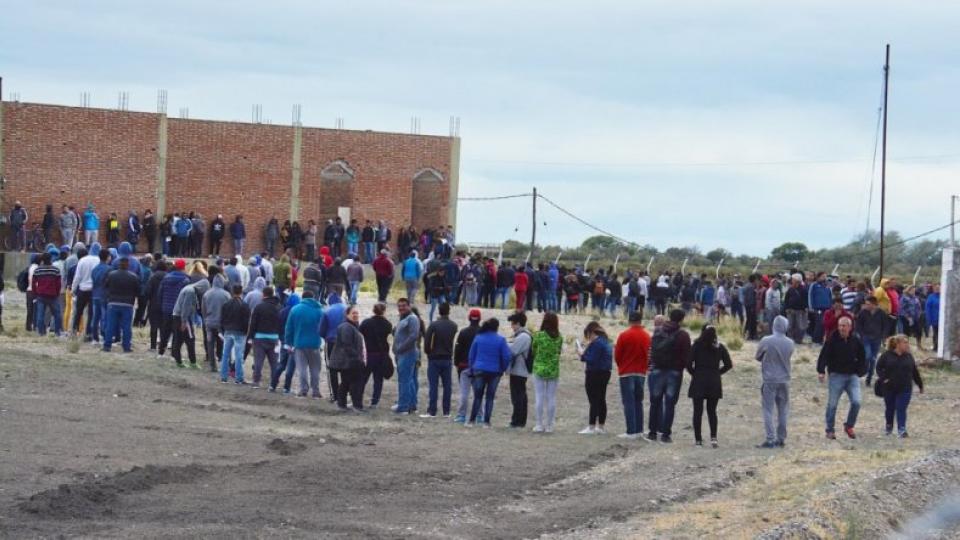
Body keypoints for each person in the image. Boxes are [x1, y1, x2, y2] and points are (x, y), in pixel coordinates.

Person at [817, 317, 867, 440]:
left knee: (856, 402)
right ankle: (830, 430)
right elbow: (823, 356)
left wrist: (861, 371)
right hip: (836, 376)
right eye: (840, 325)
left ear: (850, 327)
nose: (842, 328)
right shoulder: (831, 340)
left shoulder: (856, 340)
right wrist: (821, 371)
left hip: (852, 376)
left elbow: (863, 357)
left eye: (844, 326)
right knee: (832, 404)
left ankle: (849, 425)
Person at [647, 309, 691, 443]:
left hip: (657, 369)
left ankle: (652, 432)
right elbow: (687, 355)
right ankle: (665, 434)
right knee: (670, 404)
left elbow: (652, 349)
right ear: (682, 319)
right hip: (674, 372)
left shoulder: (658, 331)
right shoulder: (683, 335)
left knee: (655, 402)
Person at [686, 325, 733, 447]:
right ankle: (713, 438)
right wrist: (718, 372)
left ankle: (698, 440)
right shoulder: (720, 347)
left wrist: (694, 374)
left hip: (699, 379)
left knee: (698, 411)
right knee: (712, 411)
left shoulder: (696, 345)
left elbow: (688, 363)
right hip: (714, 380)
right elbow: (728, 364)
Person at [753, 315, 794, 448]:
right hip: (784, 379)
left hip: (770, 379)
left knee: (768, 409)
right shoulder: (790, 342)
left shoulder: (766, 340)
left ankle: (770, 438)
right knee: (783, 410)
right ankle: (781, 438)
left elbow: (758, 356)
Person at [876, 334, 924, 438]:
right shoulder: (887, 355)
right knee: (890, 408)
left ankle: (902, 429)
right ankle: (889, 426)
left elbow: (914, 372)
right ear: (897, 344)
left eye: (907, 343)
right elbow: (878, 367)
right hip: (889, 387)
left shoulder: (909, 356)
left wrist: (920, 385)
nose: (907, 345)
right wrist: (884, 378)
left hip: (905, 387)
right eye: (905, 342)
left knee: (901, 408)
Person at [466, 317, 512, 427]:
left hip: (479, 369)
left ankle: (472, 420)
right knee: (490, 397)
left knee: (478, 396)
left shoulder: (478, 338)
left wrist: (472, 368)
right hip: (495, 371)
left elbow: (471, 355)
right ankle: (486, 422)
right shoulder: (501, 340)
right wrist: (503, 368)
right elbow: (506, 356)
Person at [613, 311, 651, 439]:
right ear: (641, 321)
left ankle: (631, 431)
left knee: (628, 402)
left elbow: (617, 355)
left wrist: (622, 366)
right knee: (638, 401)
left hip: (627, 372)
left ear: (630, 320)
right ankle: (639, 429)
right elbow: (649, 355)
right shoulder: (647, 336)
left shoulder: (624, 335)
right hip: (641, 372)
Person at [284, 290, 324, 398]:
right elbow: (323, 328)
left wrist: (288, 343)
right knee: (315, 369)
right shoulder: (320, 310)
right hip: (315, 343)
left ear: (302, 298)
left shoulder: (295, 309)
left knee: (302, 368)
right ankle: (316, 391)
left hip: (299, 344)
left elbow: (289, 329)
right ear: (313, 298)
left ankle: (303, 390)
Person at [421, 302, 458, 418]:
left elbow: (427, 342)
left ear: (439, 310)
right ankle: (446, 411)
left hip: (434, 357)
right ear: (449, 311)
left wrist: (429, 352)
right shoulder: (453, 325)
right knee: (447, 386)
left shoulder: (434, 325)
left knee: (433, 385)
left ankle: (432, 410)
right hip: (447, 357)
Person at [328, 305, 367, 412]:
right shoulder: (346, 327)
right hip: (348, 361)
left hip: (349, 360)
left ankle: (342, 404)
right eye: (353, 313)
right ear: (347, 314)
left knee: (346, 382)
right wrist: (357, 358)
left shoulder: (352, 326)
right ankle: (356, 406)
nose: (356, 315)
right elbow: (347, 345)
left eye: (357, 313)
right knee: (355, 383)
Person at [528, 311, 563, 433]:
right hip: (553, 369)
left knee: (539, 397)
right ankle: (550, 425)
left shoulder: (539, 335)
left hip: (539, 368)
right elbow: (558, 352)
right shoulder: (559, 337)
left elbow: (533, 350)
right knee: (551, 397)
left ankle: (539, 424)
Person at [578, 321, 613, 434]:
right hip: (605, 373)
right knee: (601, 399)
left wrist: (582, 353)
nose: (588, 338)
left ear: (591, 332)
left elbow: (591, 359)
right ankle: (601, 426)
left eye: (588, 335)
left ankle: (591, 426)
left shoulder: (597, 343)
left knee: (593, 399)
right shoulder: (605, 341)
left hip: (595, 373)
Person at [246, 286, 282, 388]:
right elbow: (281, 323)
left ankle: (256, 381)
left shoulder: (259, 307)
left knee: (258, 361)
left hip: (259, 337)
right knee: (274, 362)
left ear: (264, 295)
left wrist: (250, 337)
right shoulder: (279, 307)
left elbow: (253, 323)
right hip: (274, 337)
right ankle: (274, 383)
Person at [101, 257, 139, 352]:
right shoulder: (133, 277)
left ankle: (107, 345)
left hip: (113, 302)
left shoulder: (111, 275)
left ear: (119, 264)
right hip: (128, 304)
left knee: (110, 325)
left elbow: (105, 286)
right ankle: (126, 347)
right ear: (128, 265)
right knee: (126, 327)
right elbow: (138, 291)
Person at [360, 302, 393, 408]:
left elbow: (360, 334)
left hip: (368, 354)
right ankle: (374, 402)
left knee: (363, 378)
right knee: (378, 380)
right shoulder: (387, 324)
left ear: (373, 310)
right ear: (384, 311)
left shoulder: (366, 323)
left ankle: (358, 398)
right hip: (381, 355)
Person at [453, 308, 482, 423]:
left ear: (469, 318)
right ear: (480, 319)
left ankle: (461, 415)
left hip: (464, 365)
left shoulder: (463, 332)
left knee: (464, 392)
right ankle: (479, 416)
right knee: (478, 393)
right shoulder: (482, 333)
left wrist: (456, 363)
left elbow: (458, 349)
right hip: (479, 366)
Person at [392, 298, 421, 414]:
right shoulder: (403, 318)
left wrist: (400, 348)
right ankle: (411, 405)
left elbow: (414, 336)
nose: (401, 308)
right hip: (403, 354)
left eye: (404, 305)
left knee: (404, 380)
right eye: (399, 306)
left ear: (409, 306)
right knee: (410, 380)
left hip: (408, 353)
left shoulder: (412, 318)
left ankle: (403, 407)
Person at [505, 311, 533, 428]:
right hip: (520, 370)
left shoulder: (523, 336)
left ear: (518, 323)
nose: (512, 326)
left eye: (513, 323)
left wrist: (505, 344)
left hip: (519, 370)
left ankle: (517, 420)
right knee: (520, 395)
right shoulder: (524, 335)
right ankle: (520, 420)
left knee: (517, 396)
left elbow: (513, 351)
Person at [220, 284, 251, 383]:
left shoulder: (226, 304)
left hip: (228, 330)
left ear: (232, 291)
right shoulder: (244, 305)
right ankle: (239, 378)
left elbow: (222, 319)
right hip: (240, 332)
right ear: (241, 292)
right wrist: (246, 332)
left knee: (225, 354)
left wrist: (224, 329)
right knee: (239, 356)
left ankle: (224, 377)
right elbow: (247, 321)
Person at [319, 293, 347, 401]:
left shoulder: (327, 311)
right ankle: (343, 394)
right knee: (345, 368)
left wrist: (326, 336)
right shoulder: (348, 309)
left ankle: (335, 395)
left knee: (332, 369)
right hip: (346, 343)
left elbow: (321, 331)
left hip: (331, 342)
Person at [202, 274, 230, 372]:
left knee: (210, 343)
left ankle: (212, 365)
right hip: (221, 324)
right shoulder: (226, 295)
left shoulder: (206, 294)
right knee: (222, 343)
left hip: (209, 323)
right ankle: (222, 362)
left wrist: (206, 319)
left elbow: (203, 310)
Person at [855, 297, 886, 386]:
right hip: (866, 338)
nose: (866, 306)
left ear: (874, 304)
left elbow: (885, 325)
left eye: (868, 304)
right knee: (868, 356)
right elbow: (858, 325)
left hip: (877, 339)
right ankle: (863, 371)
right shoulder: (863, 312)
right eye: (866, 304)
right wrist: (862, 335)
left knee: (873, 359)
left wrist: (883, 336)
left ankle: (869, 378)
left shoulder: (881, 313)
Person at [32, 252, 63, 336]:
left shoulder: (37, 270)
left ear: (42, 260)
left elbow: (33, 283)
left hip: (41, 295)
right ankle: (57, 332)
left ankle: (41, 332)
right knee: (57, 314)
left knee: (40, 314)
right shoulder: (55, 270)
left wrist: (35, 293)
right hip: (53, 296)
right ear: (50, 259)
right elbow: (58, 284)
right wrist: (57, 293)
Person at [925, 284, 940, 351]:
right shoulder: (931, 297)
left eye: (938, 288)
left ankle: (940, 346)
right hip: (934, 319)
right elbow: (928, 309)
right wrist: (929, 319)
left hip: (942, 320)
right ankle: (936, 346)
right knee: (936, 333)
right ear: (933, 289)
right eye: (936, 288)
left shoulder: (943, 296)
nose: (937, 289)